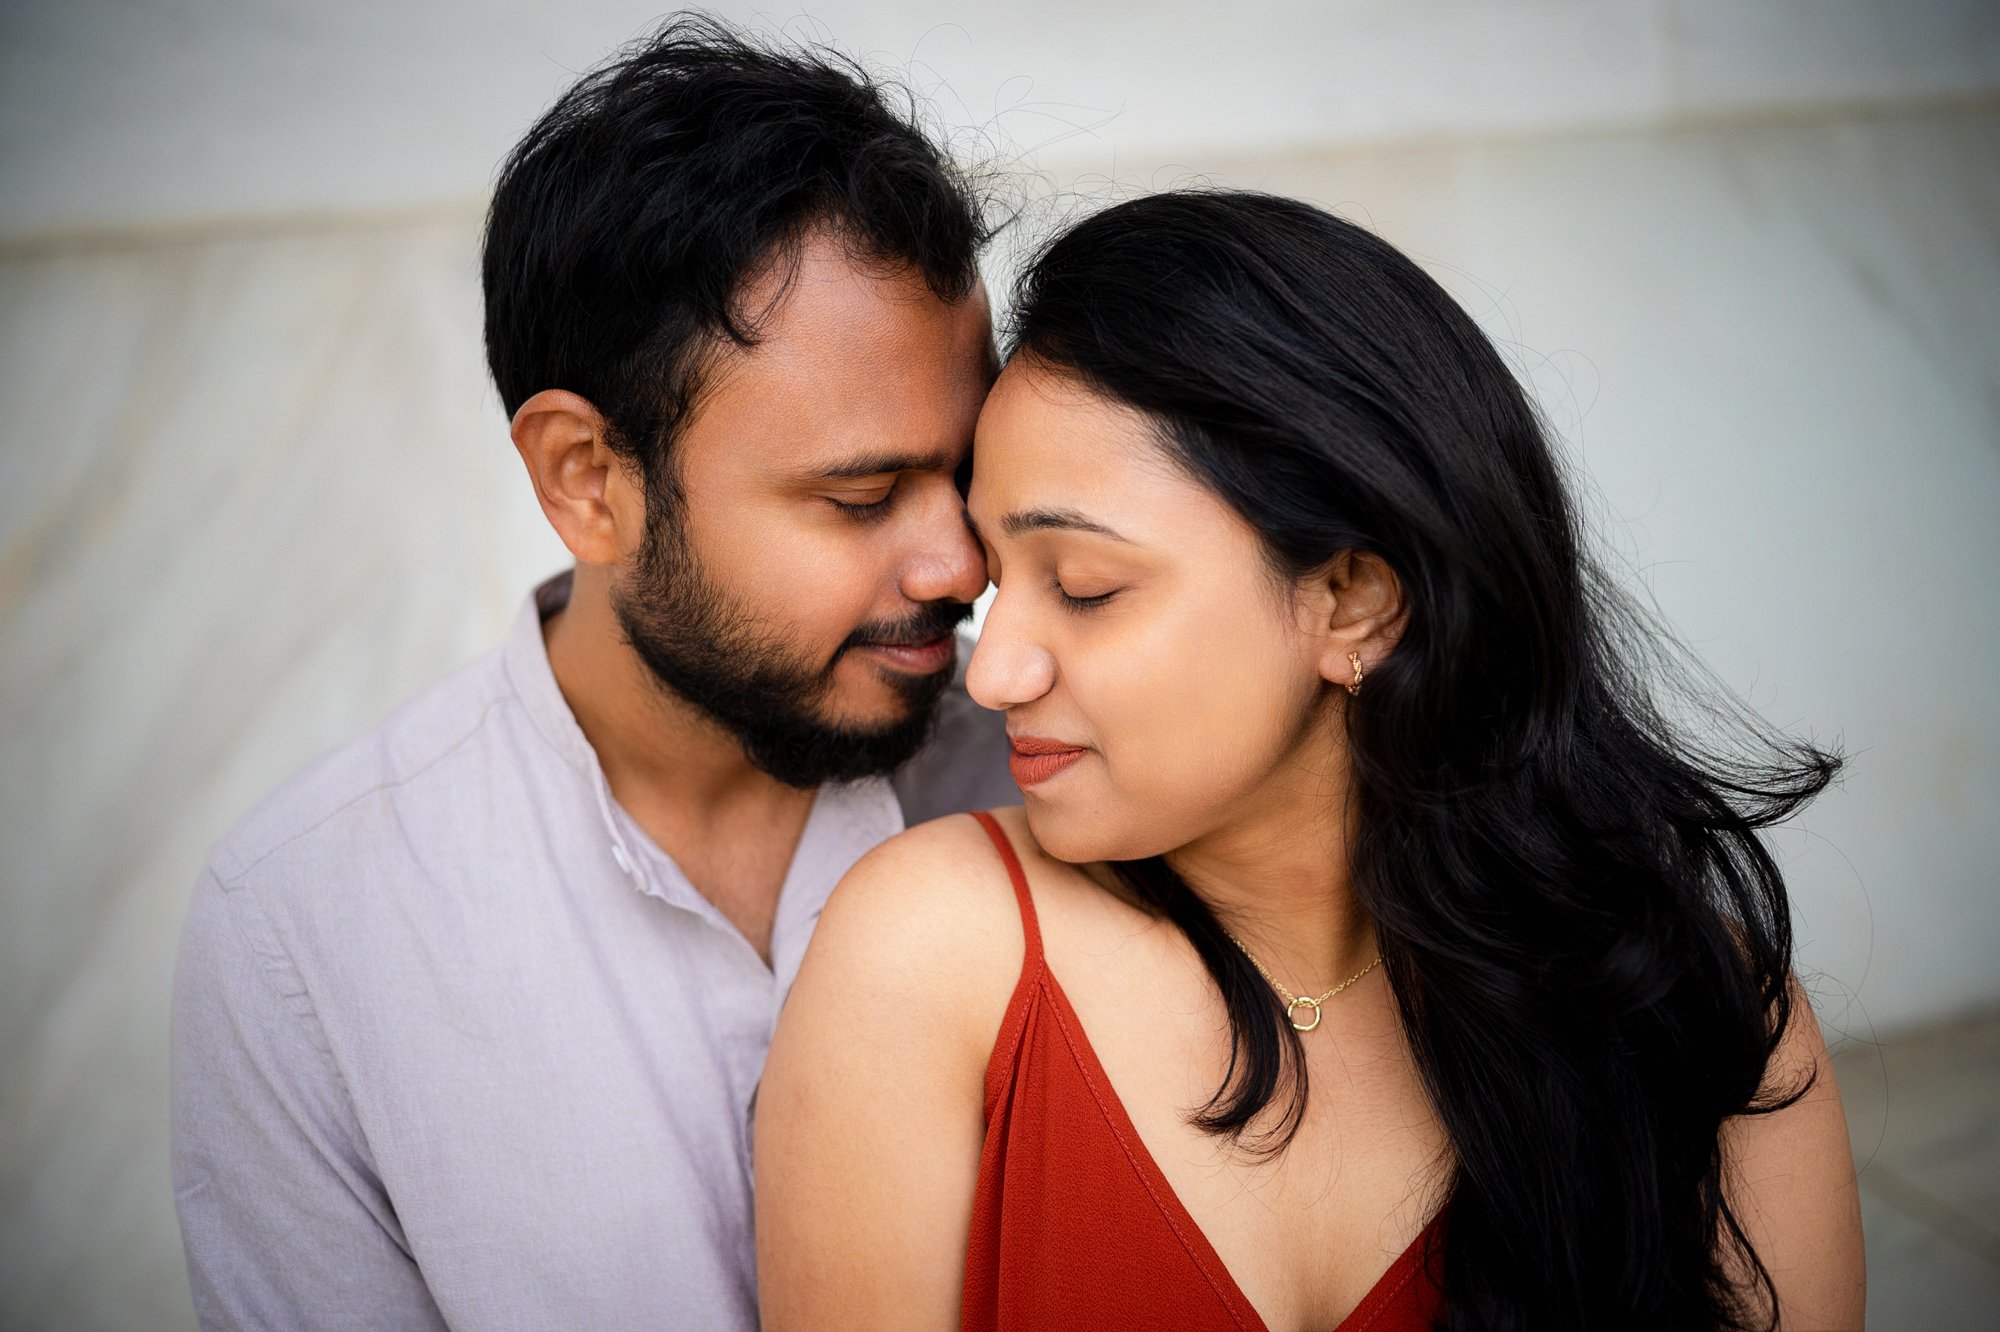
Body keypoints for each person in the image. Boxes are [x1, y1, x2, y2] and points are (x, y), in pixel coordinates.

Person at [754, 191, 1867, 1331]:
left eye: (1083, 589)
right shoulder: (932, 948)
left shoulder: (1693, 1007)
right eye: (1000, 582)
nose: (992, 676)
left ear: (1351, 601)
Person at [168, 16, 1017, 1331]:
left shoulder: (1059, 778)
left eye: (966, 474)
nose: (960, 566)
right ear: (587, 480)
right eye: (859, 496)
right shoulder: (310, 931)